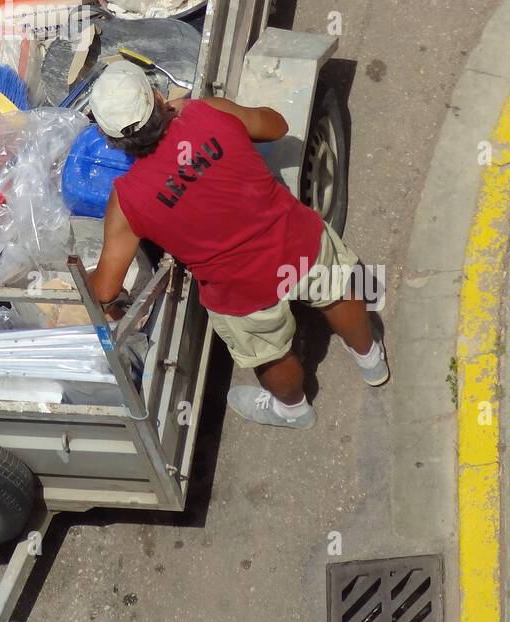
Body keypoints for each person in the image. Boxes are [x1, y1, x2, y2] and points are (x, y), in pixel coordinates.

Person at [87, 62, 388, 430]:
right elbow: (276, 125)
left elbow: (105, 289)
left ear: (111, 141)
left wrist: (81, 278)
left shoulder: (126, 201)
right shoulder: (207, 111)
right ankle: (371, 358)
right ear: (159, 97)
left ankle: (293, 411)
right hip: (297, 241)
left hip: (241, 291)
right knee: (337, 293)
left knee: (270, 353)